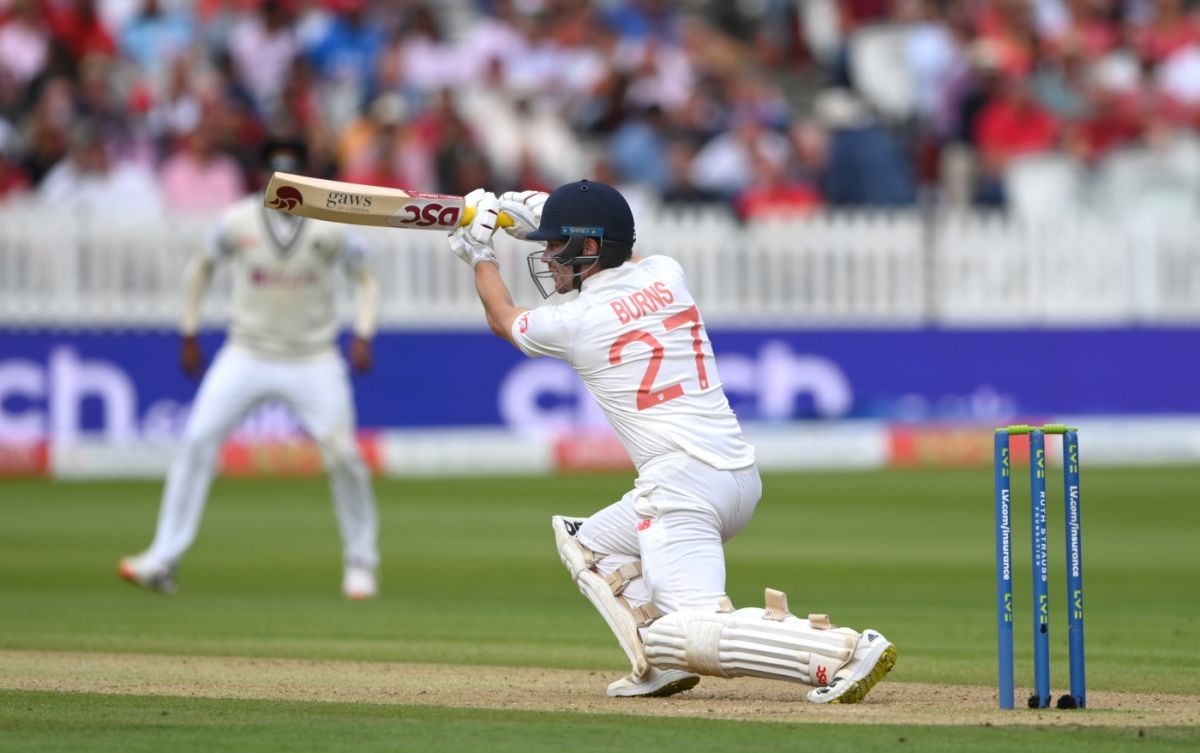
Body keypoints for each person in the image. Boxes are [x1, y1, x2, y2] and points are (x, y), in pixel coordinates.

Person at [446, 180, 897, 701]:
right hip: (737, 477)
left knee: (690, 629)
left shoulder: (575, 321)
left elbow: (504, 320)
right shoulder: (667, 272)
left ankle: (840, 652)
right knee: (590, 546)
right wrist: (551, 213)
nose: (547, 257)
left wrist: (480, 254)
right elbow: (623, 248)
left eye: (553, 245)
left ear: (587, 248)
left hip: (680, 487)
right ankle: (655, 665)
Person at [118, 138, 382, 600]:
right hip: (246, 352)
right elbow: (200, 267)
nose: (284, 186)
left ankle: (361, 561)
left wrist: (363, 332)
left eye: (293, 175)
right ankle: (163, 558)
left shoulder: (332, 223)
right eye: (276, 177)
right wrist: (188, 330)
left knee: (344, 455)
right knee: (198, 439)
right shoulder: (237, 220)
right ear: (262, 177)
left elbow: (367, 277)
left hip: (313, 356)